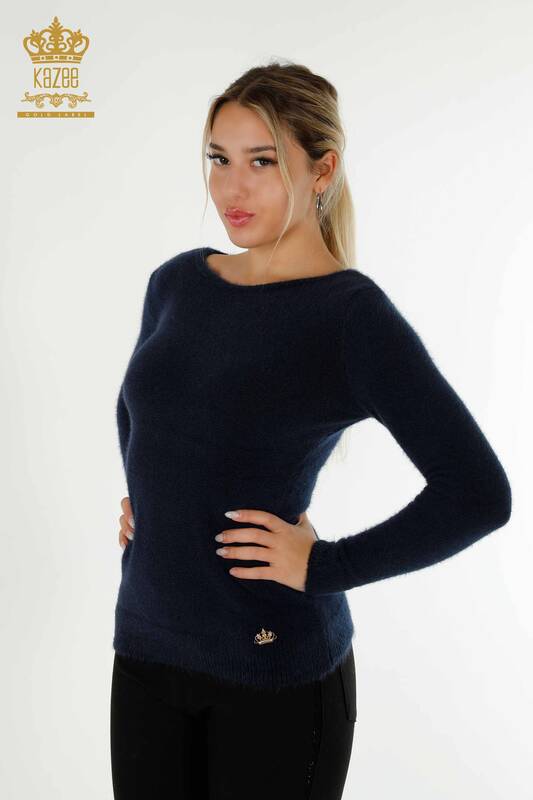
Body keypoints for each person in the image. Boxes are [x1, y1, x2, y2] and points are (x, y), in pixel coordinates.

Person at [110, 61, 512, 799]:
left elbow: (478, 493)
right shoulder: (176, 283)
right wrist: (150, 496)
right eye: (219, 159)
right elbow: (143, 407)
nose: (231, 188)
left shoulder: (350, 317)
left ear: (321, 170)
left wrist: (322, 566)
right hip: (145, 649)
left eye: (261, 162)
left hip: (272, 670)